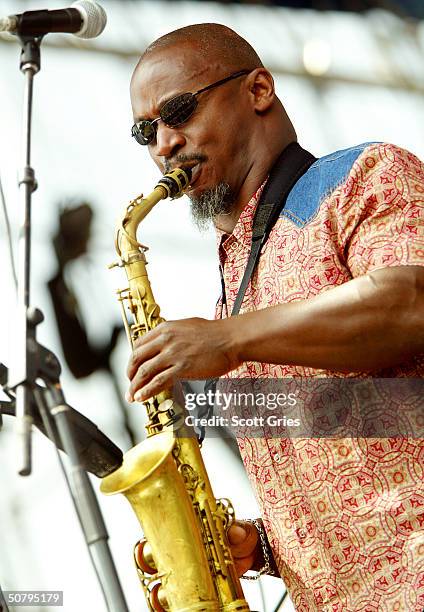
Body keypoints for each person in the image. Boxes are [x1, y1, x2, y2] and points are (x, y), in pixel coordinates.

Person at [125, 23, 424, 610]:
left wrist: (231, 341)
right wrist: (259, 547)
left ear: (258, 90)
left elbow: (408, 301)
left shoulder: (367, 176)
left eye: (179, 111)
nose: (163, 143)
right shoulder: (230, 296)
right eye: (146, 131)